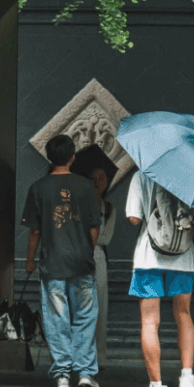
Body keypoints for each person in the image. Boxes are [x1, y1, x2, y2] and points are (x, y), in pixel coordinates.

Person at [22, 133, 102, 387]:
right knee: (85, 317)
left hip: (52, 264)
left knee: (57, 320)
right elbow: (94, 227)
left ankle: (63, 376)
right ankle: (86, 373)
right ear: (72, 158)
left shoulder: (38, 188)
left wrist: (30, 260)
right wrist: (87, 252)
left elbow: (35, 231)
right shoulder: (86, 187)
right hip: (82, 263)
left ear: (49, 157)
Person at [126, 171, 194, 387]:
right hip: (182, 258)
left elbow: (133, 218)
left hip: (149, 258)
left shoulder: (141, 175)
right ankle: (188, 377)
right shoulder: (191, 176)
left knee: (150, 321)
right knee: (184, 314)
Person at [71, 145, 117, 370]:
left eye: (102, 178)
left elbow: (105, 238)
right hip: (76, 257)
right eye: (94, 178)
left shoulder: (108, 208)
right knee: (76, 308)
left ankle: (98, 356)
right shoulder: (76, 203)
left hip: (98, 259)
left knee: (99, 309)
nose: (98, 182)